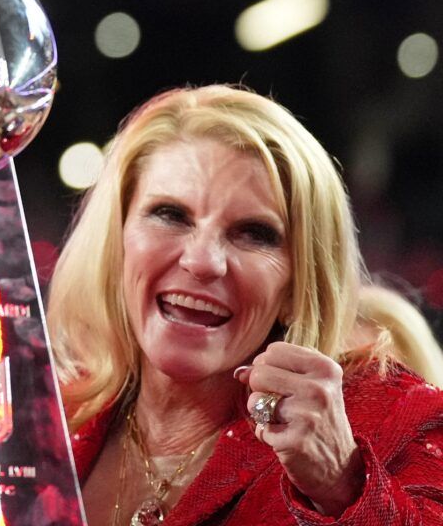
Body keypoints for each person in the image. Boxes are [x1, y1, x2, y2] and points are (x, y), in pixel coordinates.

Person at [49, 83, 443, 524]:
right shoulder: (38, 418)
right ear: (117, 242)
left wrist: (342, 484)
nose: (202, 262)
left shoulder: (395, 423)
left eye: (255, 233)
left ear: (299, 284)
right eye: (171, 215)